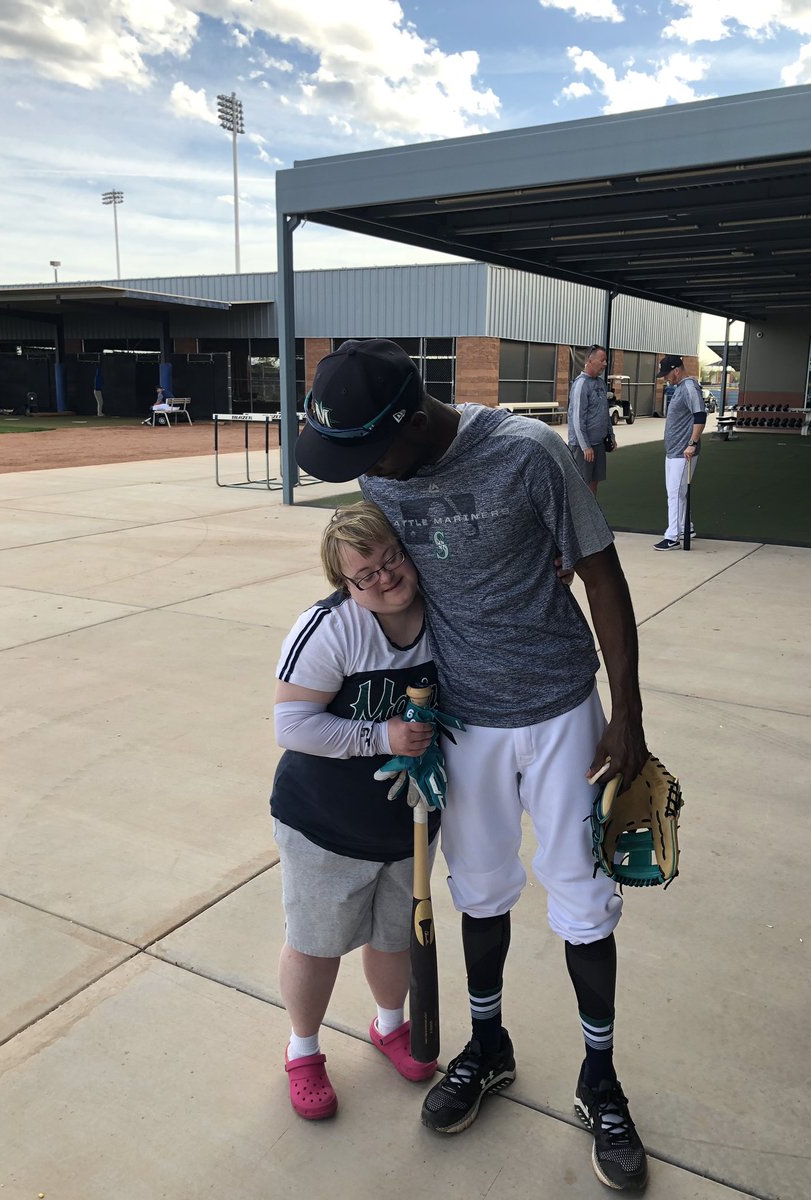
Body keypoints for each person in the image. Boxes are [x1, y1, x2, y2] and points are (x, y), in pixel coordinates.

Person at [295, 339, 651, 1192]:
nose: (362, 473)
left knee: (582, 902)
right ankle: (488, 1044)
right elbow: (372, 576)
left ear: (414, 421)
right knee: (480, 894)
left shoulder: (529, 453)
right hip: (464, 723)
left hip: (564, 710)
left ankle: (600, 1078)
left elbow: (602, 577)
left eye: (367, 451)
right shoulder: (382, 480)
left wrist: (630, 714)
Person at [271, 500, 443, 1122]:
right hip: (324, 822)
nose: (384, 577)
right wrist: (381, 737)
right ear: (344, 584)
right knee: (317, 944)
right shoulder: (331, 628)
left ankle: (390, 1025)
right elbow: (291, 724)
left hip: (408, 821)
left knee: (393, 936)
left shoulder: (442, 609)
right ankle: (304, 1049)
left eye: (390, 558)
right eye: (364, 573)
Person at [653, 355, 706, 551]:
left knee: (675, 493)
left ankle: (672, 535)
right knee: (678, 492)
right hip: (674, 451)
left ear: (676, 370)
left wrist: (692, 443)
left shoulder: (690, 387)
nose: (666, 378)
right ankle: (686, 528)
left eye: (667, 374)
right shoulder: (680, 387)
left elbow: (700, 416)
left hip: (683, 452)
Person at [568, 344, 616, 496]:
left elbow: (604, 412)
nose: (605, 364)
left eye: (606, 360)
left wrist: (611, 435)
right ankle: (577, 519)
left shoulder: (601, 384)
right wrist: (585, 446)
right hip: (583, 448)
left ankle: (591, 517)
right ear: (590, 360)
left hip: (598, 444)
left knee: (593, 485)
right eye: (602, 360)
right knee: (581, 486)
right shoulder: (581, 385)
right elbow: (577, 419)